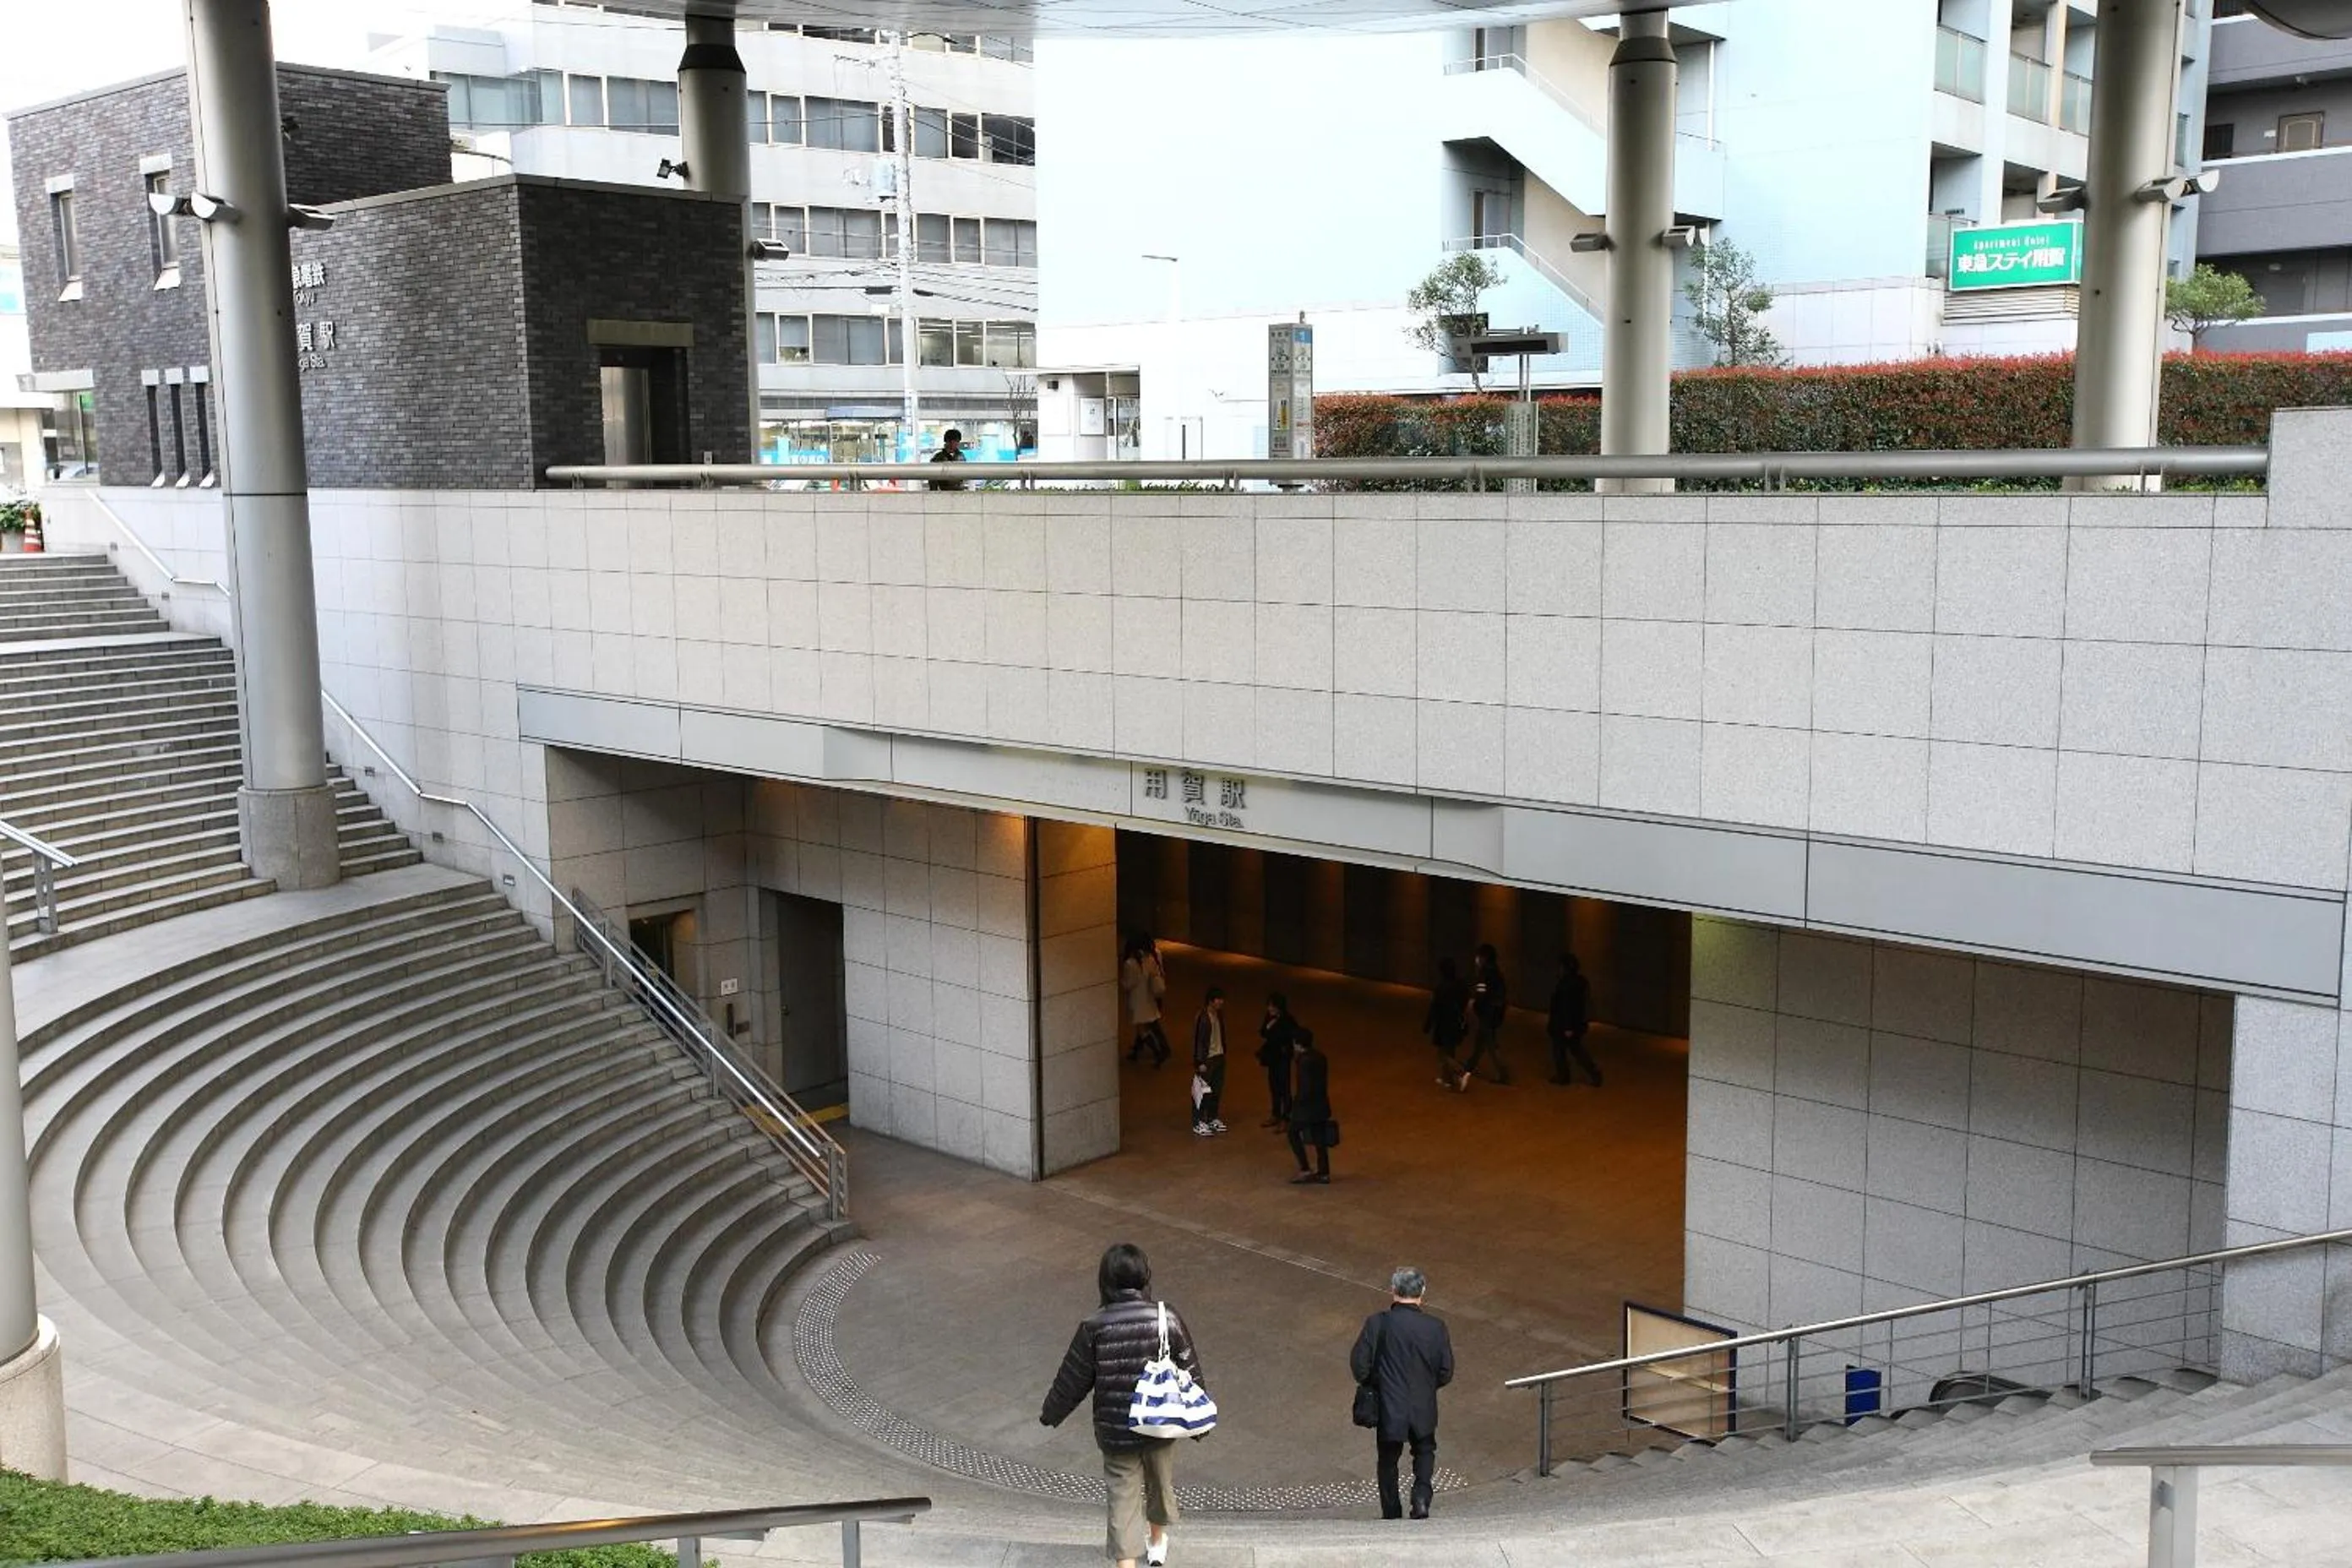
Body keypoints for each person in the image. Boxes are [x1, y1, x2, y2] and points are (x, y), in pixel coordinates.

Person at [1040, 1243, 1206, 1568]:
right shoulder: (1165, 1317)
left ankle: (1125, 1564)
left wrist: (1051, 1413)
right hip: (1160, 1422)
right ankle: (1157, 1545)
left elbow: (1072, 1379)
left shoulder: (1095, 1326)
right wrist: (1200, 1423)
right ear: (1145, 1277)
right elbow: (1190, 1369)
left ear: (1105, 1281)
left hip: (1115, 1430)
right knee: (1159, 1482)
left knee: (1122, 1497)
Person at [1349, 1266, 1455, 1521]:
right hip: (1423, 1404)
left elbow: (1359, 1364)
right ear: (1422, 1293)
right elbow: (1446, 1370)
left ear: (1394, 1290)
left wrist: (1375, 1383)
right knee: (1425, 1450)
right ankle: (1421, 1496)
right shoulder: (1435, 1327)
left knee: (1387, 1459)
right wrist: (1426, 1387)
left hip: (1388, 1405)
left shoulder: (1378, 1323)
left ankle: (1391, 1511)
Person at [1546, 952, 1602, 1086]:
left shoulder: (1566, 985)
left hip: (1565, 1024)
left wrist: (1567, 1027)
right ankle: (1594, 1072)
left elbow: (1565, 1007)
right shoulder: (1581, 982)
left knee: (1561, 1050)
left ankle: (1564, 1076)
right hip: (1576, 1023)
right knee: (1576, 1049)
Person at [1286, 1026, 1331, 1184]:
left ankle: (1305, 1168)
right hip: (1321, 1104)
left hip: (1307, 1107)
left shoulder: (1303, 1062)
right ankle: (1324, 1172)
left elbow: (1305, 1087)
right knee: (1320, 1138)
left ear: (1297, 1044)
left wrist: (1296, 1105)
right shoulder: (1320, 1057)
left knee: (1292, 1132)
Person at [1461, 944, 1511, 1085]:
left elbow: (1481, 995)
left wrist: (1476, 1006)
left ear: (1484, 958)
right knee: (1481, 1042)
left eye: (1479, 956)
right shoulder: (1496, 972)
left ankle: (1503, 1074)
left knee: (1490, 1044)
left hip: (1488, 1014)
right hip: (1494, 1013)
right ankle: (1470, 1065)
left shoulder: (1485, 974)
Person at [1422, 958, 1471, 1092]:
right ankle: (1447, 1079)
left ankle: (1461, 1072)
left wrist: (1427, 1026)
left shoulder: (1441, 988)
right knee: (1450, 1051)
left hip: (1445, 1025)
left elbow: (1434, 1008)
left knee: (1443, 1054)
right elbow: (1465, 1003)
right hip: (1457, 1023)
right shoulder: (1461, 985)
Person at [1121, 935, 1170, 1067]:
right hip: (1149, 998)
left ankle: (1157, 1052)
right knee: (1151, 1025)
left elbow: (1128, 984)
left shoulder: (1130, 964)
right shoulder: (1150, 960)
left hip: (1136, 1000)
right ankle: (1156, 1051)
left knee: (1141, 1029)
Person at [1190, 987, 1228, 1135]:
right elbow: (1198, 1040)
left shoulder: (1219, 1015)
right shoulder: (1203, 1017)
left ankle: (1212, 1117)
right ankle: (1198, 1121)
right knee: (1202, 1092)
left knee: (1216, 1091)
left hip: (1219, 1056)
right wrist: (1200, 1061)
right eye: (1218, 999)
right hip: (1207, 1059)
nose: (1221, 1002)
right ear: (1211, 1001)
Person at [1256, 993, 1298, 1128]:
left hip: (1283, 1058)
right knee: (1273, 1086)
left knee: (1284, 1088)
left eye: (1272, 1006)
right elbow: (1263, 1032)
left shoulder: (1288, 1020)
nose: (1269, 1009)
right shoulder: (1269, 1018)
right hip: (1272, 1058)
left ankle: (1287, 1117)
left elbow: (1292, 1036)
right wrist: (1269, 1026)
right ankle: (1276, 1114)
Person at [928, 427, 968, 491]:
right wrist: (934, 494)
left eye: (956, 441)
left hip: (959, 491)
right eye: (951, 441)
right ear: (946, 442)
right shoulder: (938, 457)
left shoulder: (961, 456)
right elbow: (932, 479)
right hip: (944, 491)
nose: (954, 444)